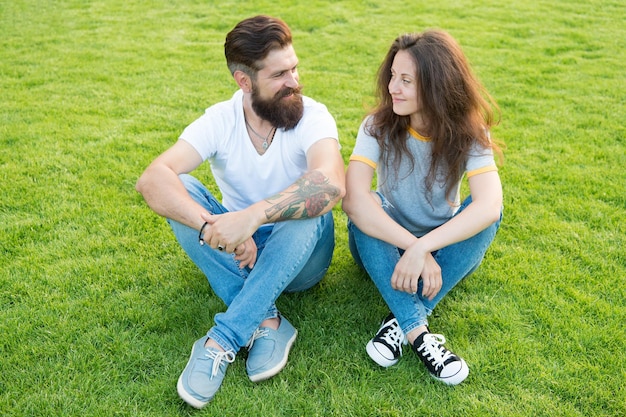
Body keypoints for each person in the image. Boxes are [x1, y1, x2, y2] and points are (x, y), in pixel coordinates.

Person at [136, 15, 345, 408]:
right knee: (179, 190)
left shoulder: (313, 115)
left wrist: (253, 217)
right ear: (244, 81)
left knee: (308, 208)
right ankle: (268, 321)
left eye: (295, 67)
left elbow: (332, 182)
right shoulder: (220, 119)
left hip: (301, 257)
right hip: (239, 249)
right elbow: (152, 179)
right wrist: (215, 227)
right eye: (280, 74)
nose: (295, 81)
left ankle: (224, 337)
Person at [342, 30, 503, 386]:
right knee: (368, 205)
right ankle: (418, 333)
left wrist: (424, 247)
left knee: (487, 212)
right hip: (381, 243)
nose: (392, 87)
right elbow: (353, 200)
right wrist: (413, 247)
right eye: (392, 76)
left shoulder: (471, 132)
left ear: (436, 85)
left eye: (405, 80)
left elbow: (490, 205)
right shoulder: (376, 126)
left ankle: (399, 323)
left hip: (440, 244)